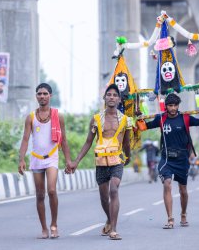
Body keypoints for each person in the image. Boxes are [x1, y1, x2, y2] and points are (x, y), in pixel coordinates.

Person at [69, 84, 131, 240]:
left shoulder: (125, 120)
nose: (111, 97)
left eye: (114, 95)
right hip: (101, 162)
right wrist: (76, 161)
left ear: (119, 99)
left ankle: (114, 230)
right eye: (108, 95)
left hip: (117, 160)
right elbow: (88, 142)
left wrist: (127, 157)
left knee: (114, 191)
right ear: (104, 98)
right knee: (104, 198)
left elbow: (127, 143)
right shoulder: (96, 119)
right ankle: (109, 219)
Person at [137, 93, 199, 229]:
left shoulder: (186, 118)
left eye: (175, 105)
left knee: (183, 190)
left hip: (182, 159)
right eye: (170, 105)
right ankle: (170, 218)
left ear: (178, 106)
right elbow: (145, 126)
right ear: (166, 107)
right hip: (166, 158)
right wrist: (139, 117)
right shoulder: (161, 119)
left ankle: (183, 214)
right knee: (167, 184)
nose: (173, 108)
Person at [18, 83, 72, 239]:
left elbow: (64, 141)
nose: (42, 96)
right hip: (36, 159)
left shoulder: (57, 115)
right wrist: (21, 159)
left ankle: (54, 224)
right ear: (36, 96)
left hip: (52, 157)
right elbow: (25, 139)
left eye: (45, 93)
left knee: (52, 190)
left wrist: (68, 161)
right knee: (40, 195)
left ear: (50, 96)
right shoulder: (31, 117)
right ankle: (44, 228)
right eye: (39, 94)